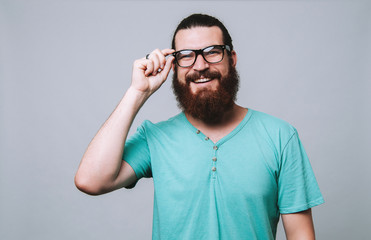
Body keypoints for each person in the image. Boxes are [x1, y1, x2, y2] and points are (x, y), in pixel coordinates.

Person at [75, 13, 324, 240]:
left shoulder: (281, 137)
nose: (200, 65)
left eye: (212, 51)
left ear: (232, 59)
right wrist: (137, 92)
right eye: (186, 56)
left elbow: (301, 236)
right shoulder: (155, 138)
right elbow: (90, 180)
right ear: (174, 67)